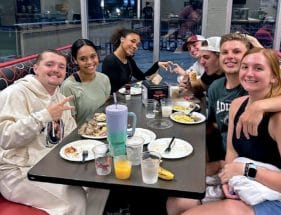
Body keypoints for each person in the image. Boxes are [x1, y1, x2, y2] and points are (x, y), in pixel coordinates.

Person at [166, 33, 281, 215]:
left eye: (258, 68)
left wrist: (246, 170)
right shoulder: (237, 105)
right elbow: (231, 152)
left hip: (279, 197)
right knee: (176, 203)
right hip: (241, 180)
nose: (249, 73)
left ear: (274, 77)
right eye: (245, 67)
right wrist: (227, 181)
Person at [0, 49, 109, 215]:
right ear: (36, 68)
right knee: (75, 199)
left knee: (101, 184)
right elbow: (5, 138)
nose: (56, 70)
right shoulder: (15, 93)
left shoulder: (58, 96)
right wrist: (45, 116)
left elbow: (70, 134)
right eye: (49, 64)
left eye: (61, 66)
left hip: (49, 163)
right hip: (17, 171)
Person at [102, 28, 170, 94]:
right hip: (115, 103)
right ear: (122, 39)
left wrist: (157, 64)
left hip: (125, 99)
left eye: (137, 44)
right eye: (132, 41)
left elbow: (142, 77)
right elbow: (111, 90)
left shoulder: (129, 60)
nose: (135, 46)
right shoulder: (110, 61)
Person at [61, 39, 111, 126]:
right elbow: (69, 124)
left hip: (103, 130)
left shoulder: (104, 79)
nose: (90, 62)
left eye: (93, 56)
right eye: (83, 59)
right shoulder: (68, 87)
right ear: (75, 60)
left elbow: (104, 110)